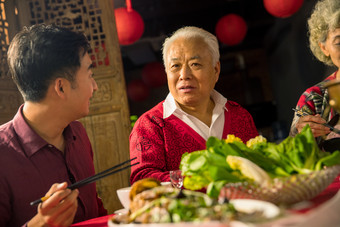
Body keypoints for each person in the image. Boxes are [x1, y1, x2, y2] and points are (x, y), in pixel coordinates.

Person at [0, 24, 107, 227]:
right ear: (61, 86)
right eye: (90, 75)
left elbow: (95, 210)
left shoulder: (78, 133)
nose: (95, 87)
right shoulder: (3, 155)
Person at [129, 26, 259, 184]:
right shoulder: (150, 125)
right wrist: (201, 180)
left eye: (195, 64)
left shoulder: (240, 116)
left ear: (216, 70)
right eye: (175, 66)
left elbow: (259, 166)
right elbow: (144, 178)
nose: (184, 75)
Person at [289, 0, 340, 147]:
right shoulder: (314, 98)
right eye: (339, 42)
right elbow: (293, 152)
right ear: (324, 48)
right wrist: (301, 135)